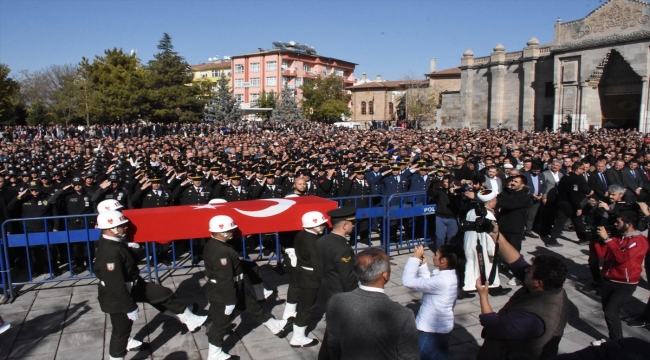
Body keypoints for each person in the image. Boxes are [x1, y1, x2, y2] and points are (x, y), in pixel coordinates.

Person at [94, 210, 207, 360]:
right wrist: (129, 307)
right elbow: (115, 285)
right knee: (121, 331)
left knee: (162, 293)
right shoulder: (110, 252)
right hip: (117, 295)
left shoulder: (115, 241)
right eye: (122, 225)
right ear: (111, 229)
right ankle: (116, 357)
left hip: (134, 285)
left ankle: (190, 319)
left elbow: (128, 258)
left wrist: (133, 247)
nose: (126, 227)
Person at [203, 215, 293, 360]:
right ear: (222, 233)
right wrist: (229, 301)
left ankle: (274, 325)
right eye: (231, 230)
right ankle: (214, 355)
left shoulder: (218, 245)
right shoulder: (221, 252)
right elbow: (224, 279)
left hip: (235, 287)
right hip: (224, 292)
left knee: (253, 307)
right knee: (220, 323)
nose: (233, 232)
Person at [475, 222, 569, 360]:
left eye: (529, 271)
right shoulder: (550, 287)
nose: (525, 270)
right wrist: (497, 236)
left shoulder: (533, 319)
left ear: (538, 282)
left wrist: (483, 296)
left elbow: (494, 326)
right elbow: (517, 263)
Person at [326, 248, 419, 360]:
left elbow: (333, 344)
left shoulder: (336, 301)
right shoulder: (403, 314)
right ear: (385, 275)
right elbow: (409, 357)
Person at [592, 211, 649, 344]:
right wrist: (595, 240)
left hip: (625, 284)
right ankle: (614, 339)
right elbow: (600, 254)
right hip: (608, 280)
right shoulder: (617, 238)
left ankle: (617, 343)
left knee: (611, 313)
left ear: (629, 225)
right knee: (607, 312)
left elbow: (622, 257)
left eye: (618, 222)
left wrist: (607, 239)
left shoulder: (640, 241)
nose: (615, 224)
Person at [402, 244, 465, 360]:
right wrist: (422, 266)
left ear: (444, 260)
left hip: (430, 330)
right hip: (443, 328)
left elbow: (408, 281)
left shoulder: (442, 281)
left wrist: (415, 259)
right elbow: (429, 283)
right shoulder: (453, 276)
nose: (433, 256)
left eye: (436, 255)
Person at [315, 207, 359, 360]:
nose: (354, 226)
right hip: (340, 295)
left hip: (327, 291)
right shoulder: (342, 247)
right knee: (340, 334)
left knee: (333, 330)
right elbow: (347, 277)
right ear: (345, 226)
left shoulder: (322, 240)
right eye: (352, 223)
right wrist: (355, 296)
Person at [287, 211, 327, 348]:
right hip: (311, 277)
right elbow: (318, 264)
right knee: (307, 308)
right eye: (322, 224)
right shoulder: (315, 242)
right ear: (314, 226)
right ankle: (298, 337)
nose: (324, 226)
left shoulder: (301, 235)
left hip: (302, 273)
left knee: (305, 305)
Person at [462, 190, 510, 297]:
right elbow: (490, 235)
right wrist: (492, 250)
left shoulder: (471, 211)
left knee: (470, 265)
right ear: (490, 203)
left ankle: (467, 288)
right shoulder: (489, 216)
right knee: (490, 267)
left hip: (469, 245)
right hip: (482, 247)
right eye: (495, 201)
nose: (496, 203)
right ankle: (494, 288)